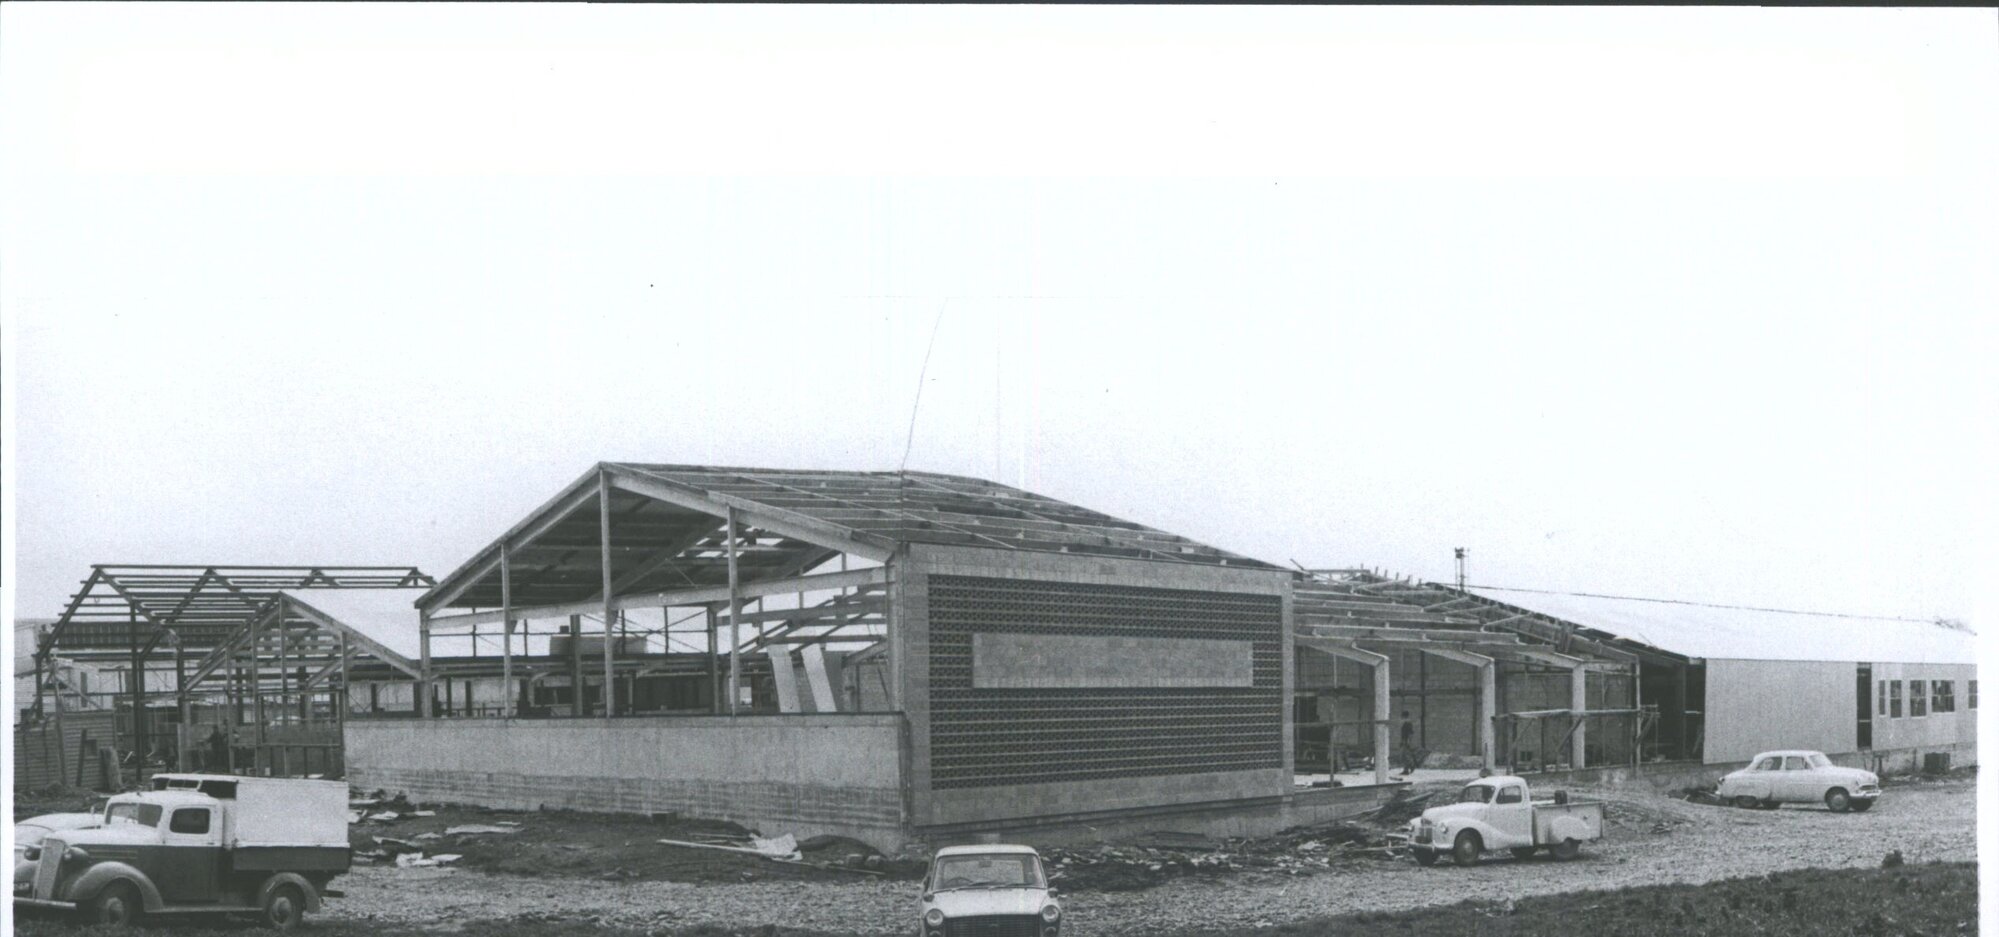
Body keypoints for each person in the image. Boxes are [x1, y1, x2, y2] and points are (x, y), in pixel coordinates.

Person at [1398, 711, 1421, 776]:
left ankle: (1411, 766)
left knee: (1403, 755)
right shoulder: (1405, 723)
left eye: (1402, 716)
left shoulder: (1408, 723)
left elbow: (1410, 733)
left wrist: (1408, 741)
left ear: (1404, 716)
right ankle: (1406, 769)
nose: (1401, 718)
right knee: (1404, 755)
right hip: (1403, 741)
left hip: (1406, 741)